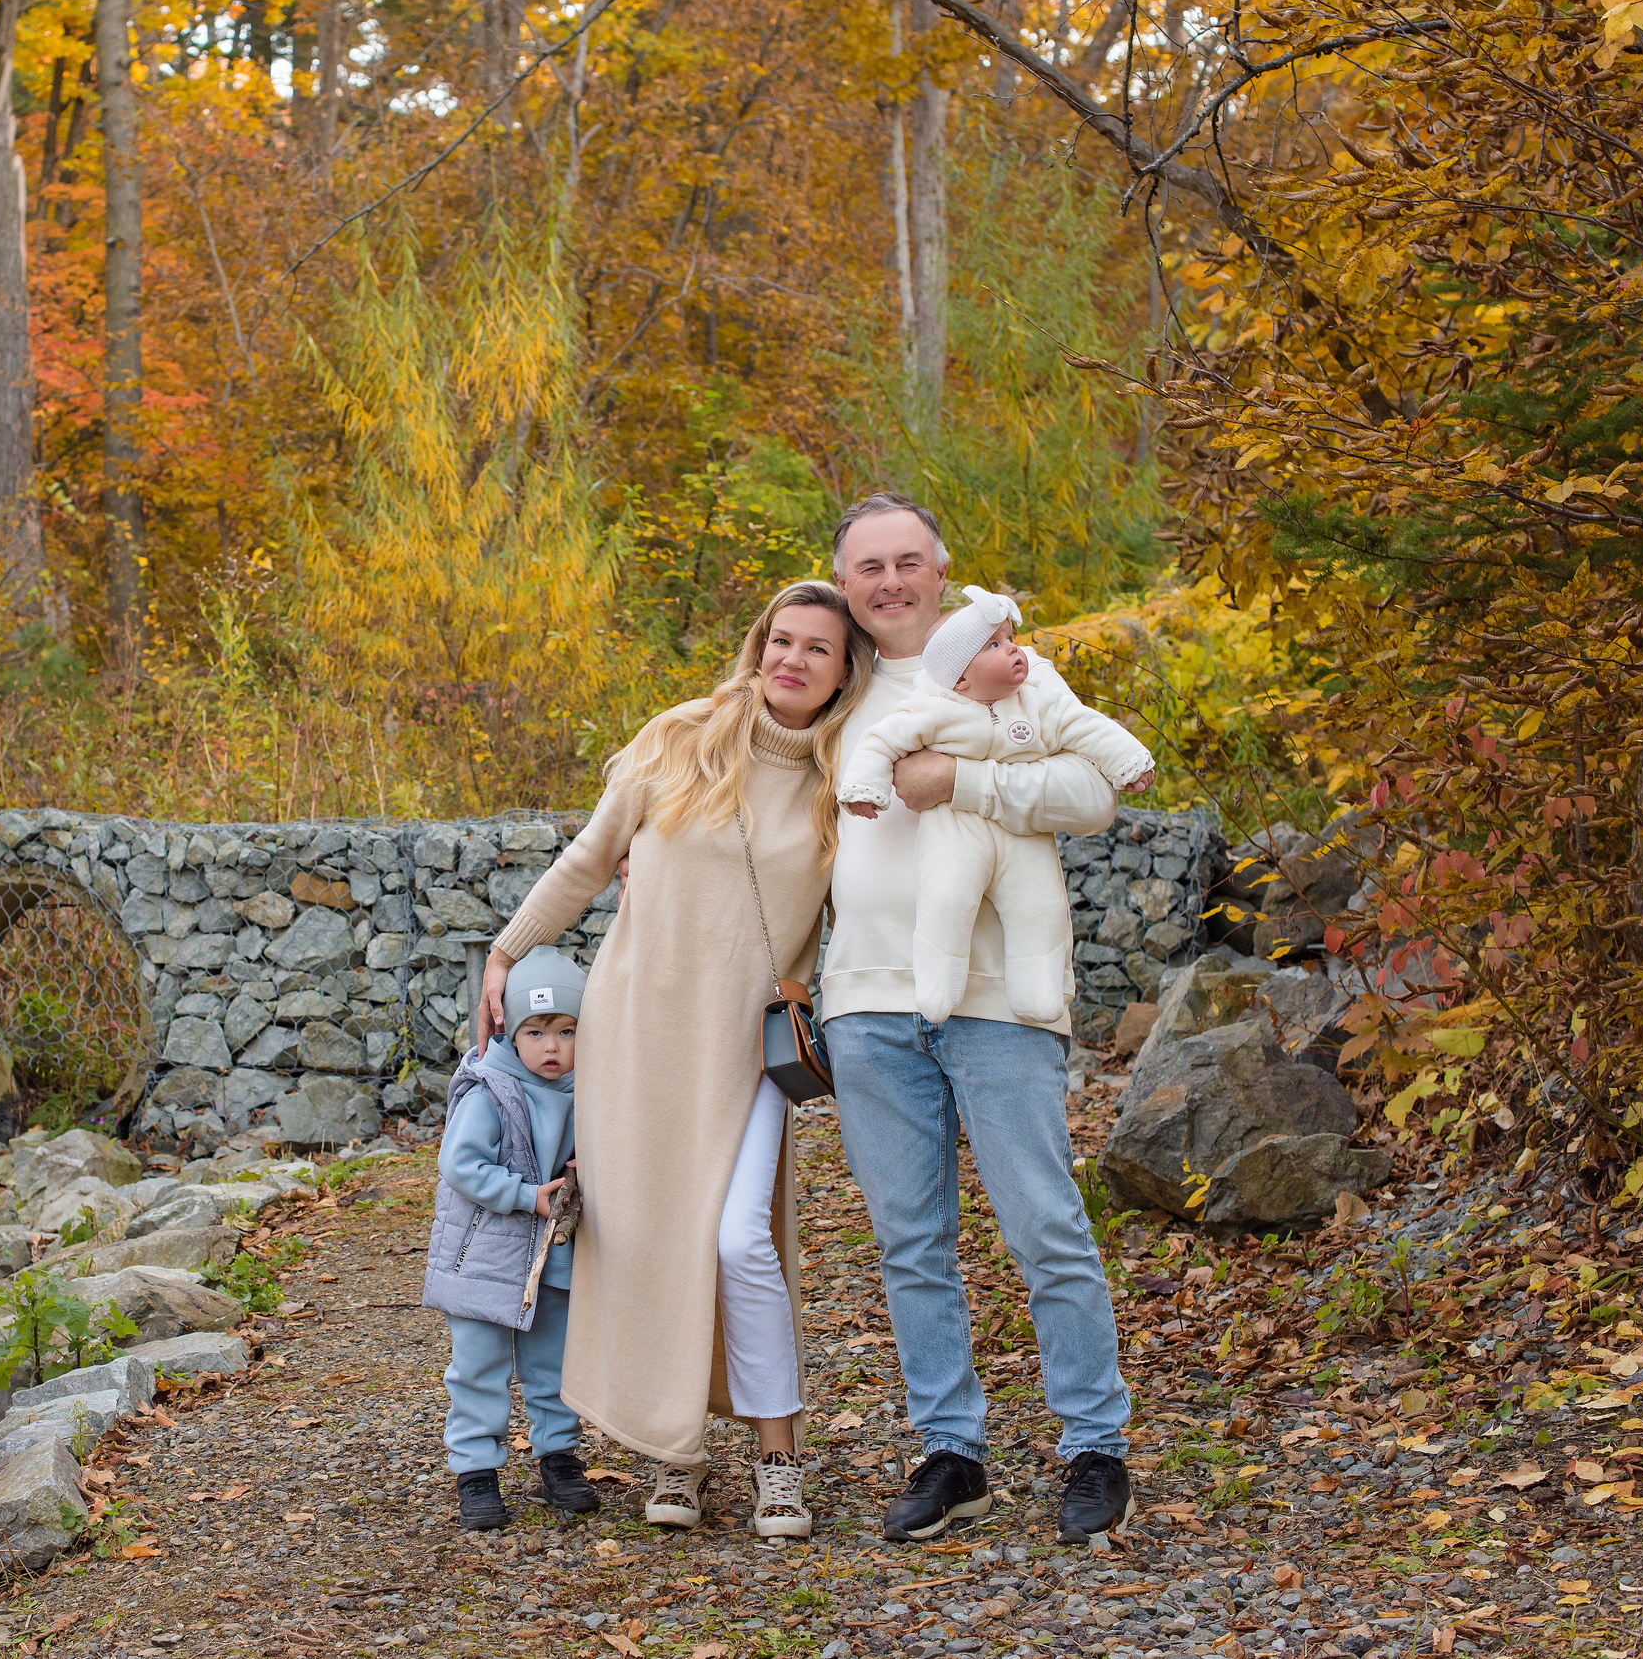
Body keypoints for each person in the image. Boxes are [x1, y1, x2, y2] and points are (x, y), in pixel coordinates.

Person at [478, 581, 873, 1540]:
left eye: (818, 649)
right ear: (757, 644)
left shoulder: (850, 773)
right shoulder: (677, 740)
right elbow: (586, 859)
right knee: (654, 1240)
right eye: (782, 640)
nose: (793, 660)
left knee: (739, 1238)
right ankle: (675, 1452)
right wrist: (506, 949)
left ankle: (778, 1461)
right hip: (639, 1032)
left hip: (749, 1048)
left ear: (846, 670)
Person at [820, 493, 1137, 1545]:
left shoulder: (1002, 661)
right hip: (868, 1001)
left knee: (1043, 1224)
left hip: (998, 997)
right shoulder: (836, 685)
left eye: (909, 560)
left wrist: (956, 779)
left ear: (942, 565)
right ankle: (950, 1450)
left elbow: (1093, 792)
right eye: (870, 566)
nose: (891, 581)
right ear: (845, 581)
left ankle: (1094, 1445)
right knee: (911, 1241)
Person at [839, 583, 1155, 1025]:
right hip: (954, 835)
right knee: (947, 897)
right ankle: (937, 984)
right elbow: (880, 743)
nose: (1014, 651)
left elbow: (1088, 729)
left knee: (1039, 906)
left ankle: (1038, 990)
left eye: (1010, 639)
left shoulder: (1037, 696)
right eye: (994, 645)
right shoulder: (931, 706)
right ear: (961, 678)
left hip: (1022, 838)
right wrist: (864, 789)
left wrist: (1128, 762)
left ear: (939, 570)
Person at [423, 945, 597, 1530]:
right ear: (508, 1030)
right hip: (488, 1254)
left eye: (567, 1031)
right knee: (479, 1362)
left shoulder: (585, 1091)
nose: (552, 1048)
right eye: (536, 1031)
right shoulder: (490, 1090)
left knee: (553, 1360)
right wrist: (528, 1196)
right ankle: (475, 1469)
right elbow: (461, 1164)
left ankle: (558, 1456)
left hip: (551, 1253)